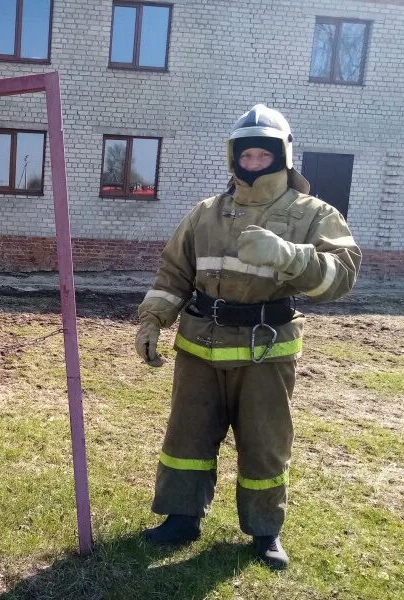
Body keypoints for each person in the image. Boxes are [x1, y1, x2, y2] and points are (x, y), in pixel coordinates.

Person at [135, 104, 361, 570]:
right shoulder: (206, 213)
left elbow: (341, 278)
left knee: (264, 443)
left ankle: (264, 530)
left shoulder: (313, 214)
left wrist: (291, 256)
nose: (254, 162)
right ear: (233, 157)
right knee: (188, 436)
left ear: (283, 156)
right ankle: (181, 518)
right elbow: (174, 272)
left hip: (265, 351)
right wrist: (153, 319)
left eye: (263, 154)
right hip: (200, 347)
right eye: (247, 154)